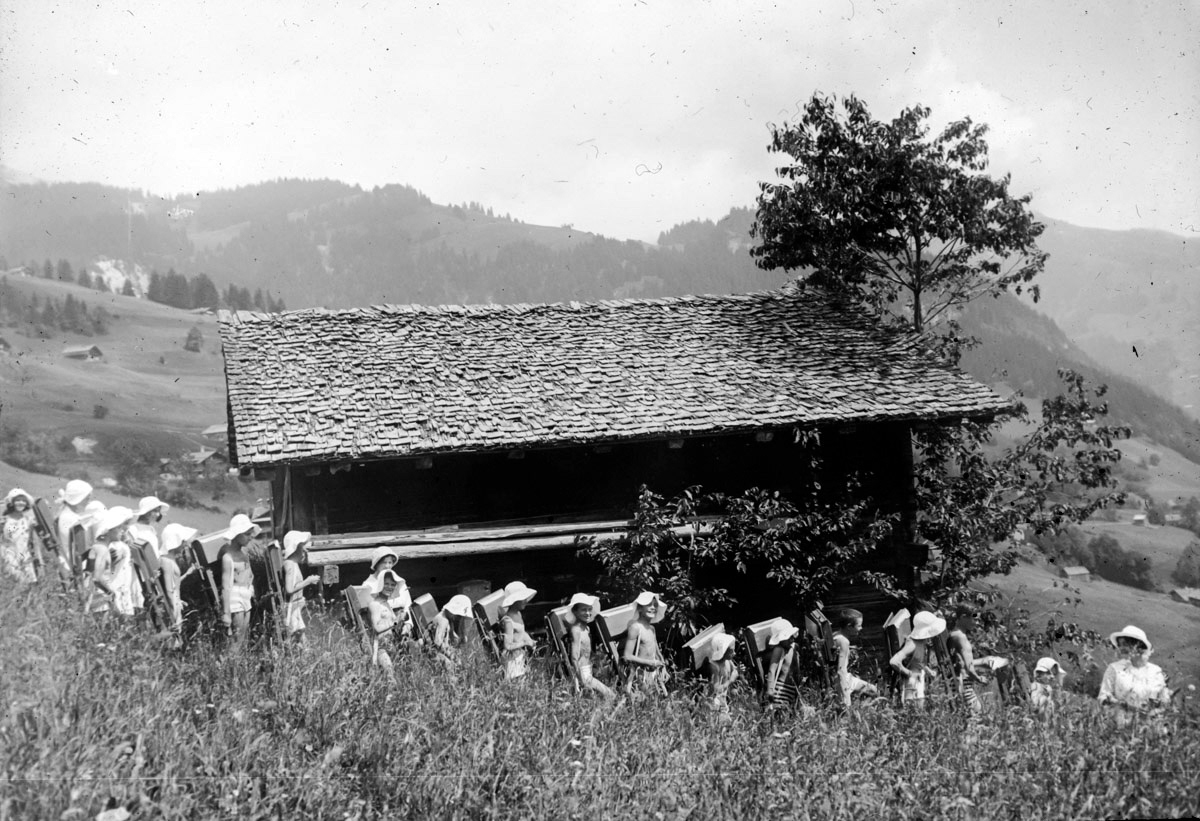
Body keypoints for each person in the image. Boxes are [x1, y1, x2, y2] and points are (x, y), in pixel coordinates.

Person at [1097, 625, 1171, 726]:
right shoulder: (1114, 669)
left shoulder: (1156, 672)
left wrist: (1152, 714)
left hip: (1149, 726)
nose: (1121, 648)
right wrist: (1122, 706)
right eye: (1120, 644)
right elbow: (1104, 697)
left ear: (1138, 646)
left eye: (1125, 644)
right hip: (1120, 723)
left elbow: (1165, 703)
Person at [890, 610, 946, 708]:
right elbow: (894, 661)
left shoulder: (922, 642)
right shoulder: (912, 643)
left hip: (919, 678)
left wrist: (928, 670)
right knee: (914, 709)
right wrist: (909, 673)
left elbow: (918, 661)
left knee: (920, 708)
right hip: (911, 683)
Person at [566, 593, 615, 699]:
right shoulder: (576, 630)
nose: (588, 613)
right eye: (584, 610)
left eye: (590, 609)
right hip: (582, 673)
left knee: (598, 700)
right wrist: (582, 681)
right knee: (610, 695)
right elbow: (574, 658)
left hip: (589, 670)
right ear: (575, 611)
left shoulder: (587, 629)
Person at [84, 506, 131, 617]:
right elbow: (97, 578)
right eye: (119, 528)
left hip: (95, 597)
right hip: (101, 599)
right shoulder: (103, 550)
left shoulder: (98, 546)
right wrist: (110, 592)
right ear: (110, 529)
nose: (122, 531)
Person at [220, 514, 259, 645]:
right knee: (237, 636)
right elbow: (226, 587)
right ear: (237, 535)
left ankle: (239, 662)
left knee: (243, 635)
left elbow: (250, 575)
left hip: (246, 596)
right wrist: (226, 613)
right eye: (247, 534)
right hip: (235, 598)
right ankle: (232, 662)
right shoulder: (228, 557)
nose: (250, 537)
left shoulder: (244, 555)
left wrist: (251, 587)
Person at [829, 609, 878, 710]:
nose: (861, 628)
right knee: (845, 709)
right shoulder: (843, 641)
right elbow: (841, 671)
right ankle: (856, 714)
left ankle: (860, 712)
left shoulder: (836, 635)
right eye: (859, 625)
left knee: (872, 690)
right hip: (842, 679)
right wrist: (845, 694)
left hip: (847, 677)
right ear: (849, 626)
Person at [622, 591, 669, 696]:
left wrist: (663, 667)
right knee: (647, 702)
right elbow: (627, 656)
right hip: (640, 673)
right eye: (648, 604)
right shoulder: (635, 627)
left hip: (653, 673)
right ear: (639, 608)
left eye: (655, 605)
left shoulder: (652, 629)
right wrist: (648, 662)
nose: (653, 607)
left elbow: (657, 652)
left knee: (661, 701)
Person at [946, 606, 990, 718]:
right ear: (963, 617)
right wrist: (979, 678)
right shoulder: (961, 637)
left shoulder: (953, 634)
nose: (976, 622)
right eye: (974, 618)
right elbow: (969, 667)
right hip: (963, 683)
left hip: (956, 682)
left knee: (968, 719)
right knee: (976, 717)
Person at [160, 523, 199, 640]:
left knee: (175, 639)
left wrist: (187, 574)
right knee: (172, 638)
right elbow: (169, 590)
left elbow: (174, 585)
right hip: (172, 606)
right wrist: (173, 615)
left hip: (175, 602)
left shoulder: (168, 559)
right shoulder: (167, 561)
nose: (185, 545)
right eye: (182, 542)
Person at [365, 546, 414, 640]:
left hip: (403, 625)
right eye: (384, 562)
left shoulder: (397, 581)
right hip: (385, 630)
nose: (387, 566)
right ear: (376, 564)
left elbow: (408, 606)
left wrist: (408, 625)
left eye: (390, 562)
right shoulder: (369, 585)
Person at [280, 530, 320, 643]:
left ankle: (305, 655)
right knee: (293, 636)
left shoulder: (294, 564)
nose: (305, 551)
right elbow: (289, 589)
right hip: (291, 607)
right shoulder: (290, 565)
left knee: (300, 634)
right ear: (295, 547)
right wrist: (308, 581)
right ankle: (292, 656)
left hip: (296, 606)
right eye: (302, 547)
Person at [366, 570, 403, 675]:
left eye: (392, 584)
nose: (389, 587)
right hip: (380, 648)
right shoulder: (375, 604)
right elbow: (376, 628)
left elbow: (391, 626)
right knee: (391, 677)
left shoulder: (386, 604)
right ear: (380, 585)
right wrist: (395, 622)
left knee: (395, 676)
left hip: (390, 645)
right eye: (386, 584)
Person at [499, 581, 538, 680]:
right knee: (517, 685)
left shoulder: (518, 614)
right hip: (512, 660)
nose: (526, 601)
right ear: (514, 600)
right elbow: (507, 645)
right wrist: (524, 643)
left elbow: (521, 631)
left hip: (519, 656)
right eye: (522, 599)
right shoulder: (508, 620)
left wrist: (530, 640)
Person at [56, 479, 93, 580]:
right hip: (71, 564)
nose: (89, 500)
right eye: (87, 497)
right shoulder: (70, 518)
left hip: (68, 561)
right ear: (79, 497)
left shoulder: (67, 514)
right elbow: (80, 547)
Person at [2, 488, 40, 583]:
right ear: (12, 502)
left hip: (24, 554)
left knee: (29, 584)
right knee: (16, 581)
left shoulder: (28, 520)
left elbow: (34, 540)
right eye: (18, 500)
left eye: (23, 501)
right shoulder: (5, 520)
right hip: (9, 555)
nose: (21, 503)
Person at [764, 618, 802, 710]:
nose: (792, 639)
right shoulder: (779, 650)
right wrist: (770, 690)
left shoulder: (793, 649)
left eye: (792, 636)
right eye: (788, 637)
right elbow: (771, 670)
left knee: (789, 714)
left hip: (792, 688)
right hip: (780, 688)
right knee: (779, 712)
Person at [430, 594, 473, 668]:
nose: (457, 618)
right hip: (434, 653)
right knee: (451, 666)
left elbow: (452, 635)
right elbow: (437, 642)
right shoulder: (443, 620)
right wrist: (450, 654)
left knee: (459, 663)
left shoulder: (447, 619)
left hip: (439, 652)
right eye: (457, 615)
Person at [705, 632, 739, 714]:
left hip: (723, 701)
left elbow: (735, 670)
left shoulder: (728, 661)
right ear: (723, 652)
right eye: (731, 651)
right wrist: (731, 680)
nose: (734, 653)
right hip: (715, 704)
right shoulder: (714, 666)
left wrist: (739, 671)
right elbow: (715, 689)